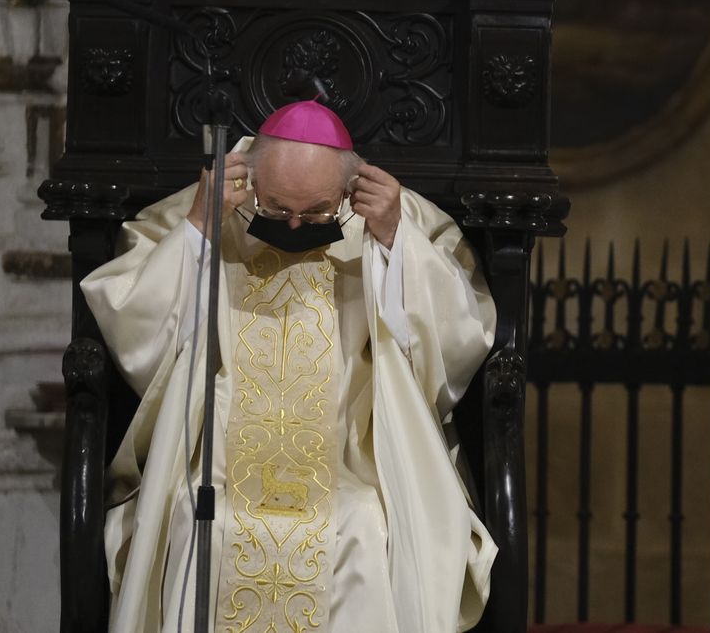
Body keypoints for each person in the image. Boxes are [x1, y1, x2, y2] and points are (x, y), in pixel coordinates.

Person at [84, 99, 497, 632]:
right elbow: (136, 330)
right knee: (199, 520)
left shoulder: (392, 213)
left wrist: (396, 242)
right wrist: (198, 229)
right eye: (278, 210)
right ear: (252, 180)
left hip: (349, 457)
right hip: (217, 460)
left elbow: (460, 334)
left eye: (318, 212)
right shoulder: (207, 205)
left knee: (362, 525)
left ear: (348, 189)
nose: (297, 224)